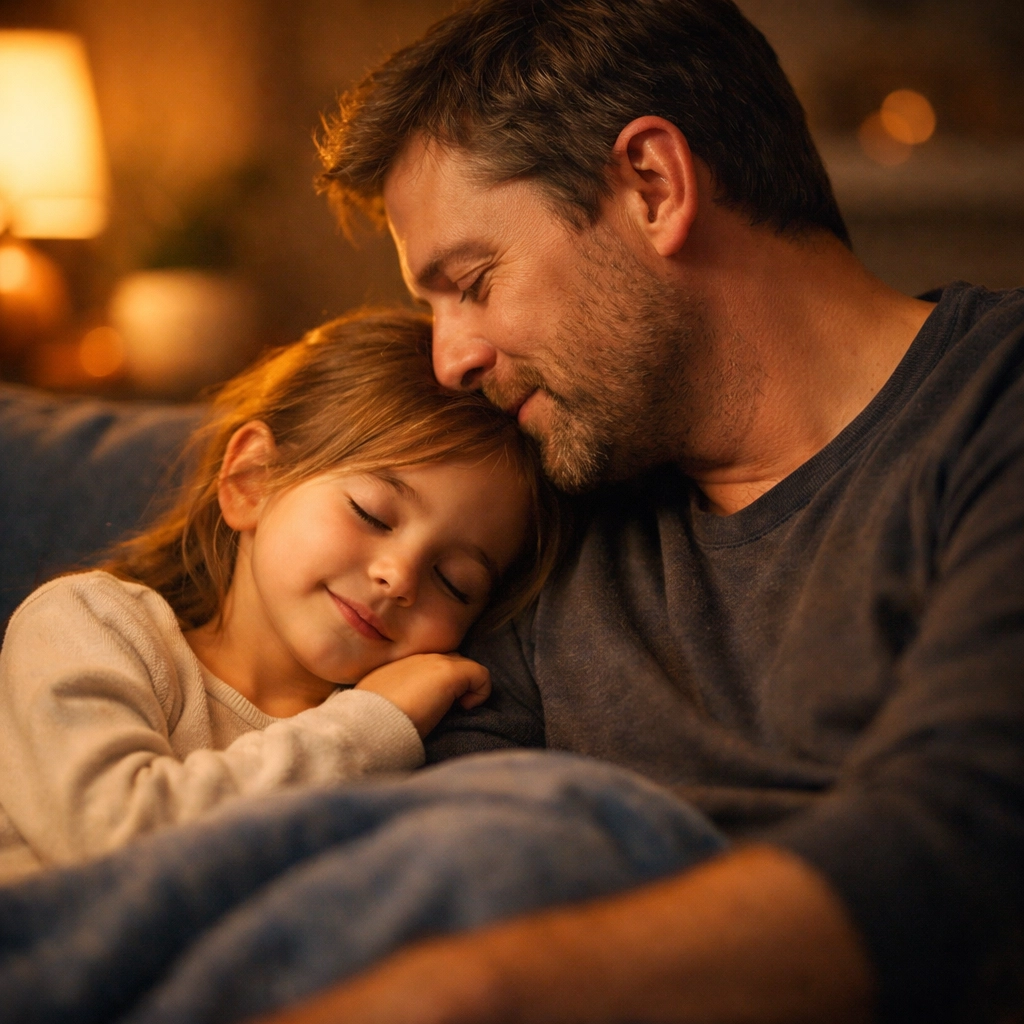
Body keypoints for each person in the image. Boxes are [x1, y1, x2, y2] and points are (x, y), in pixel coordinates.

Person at [263, 0, 1024, 1022]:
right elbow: (439, 827)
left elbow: (964, 844)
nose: (451, 360)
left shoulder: (995, 409)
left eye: (473, 280)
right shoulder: (558, 498)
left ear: (652, 186)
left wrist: (471, 991)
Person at [0, 309, 563, 881]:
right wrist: (375, 719)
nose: (399, 577)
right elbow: (115, 839)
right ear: (253, 479)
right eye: (371, 514)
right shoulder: (88, 624)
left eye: (455, 583)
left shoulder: (423, 744)